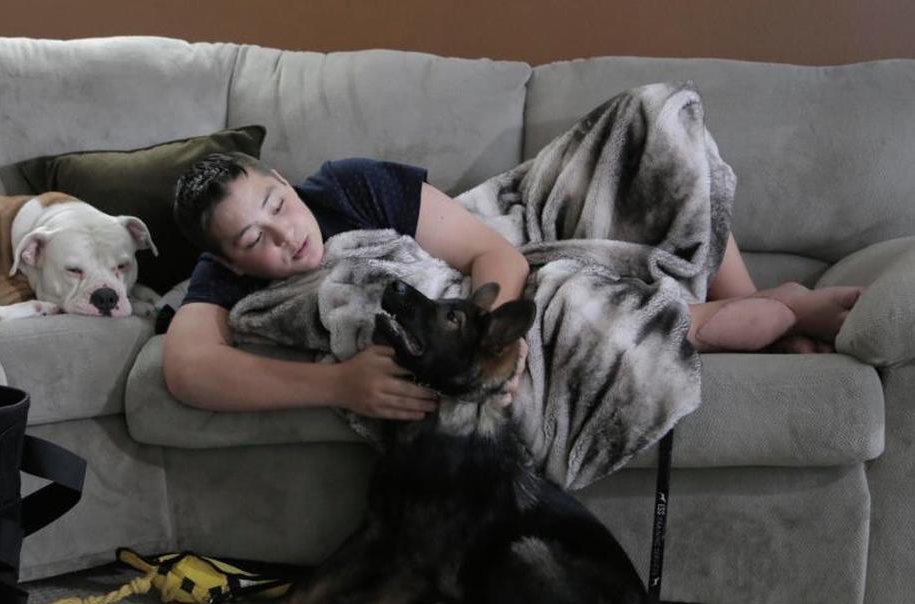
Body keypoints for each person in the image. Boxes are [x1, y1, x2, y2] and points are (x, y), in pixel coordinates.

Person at [163, 153, 861, 421]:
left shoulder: (349, 185)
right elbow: (188, 367)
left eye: (276, 207)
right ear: (230, 261)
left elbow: (490, 253)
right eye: (253, 240)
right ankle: (761, 320)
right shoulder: (219, 281)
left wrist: (485, 328)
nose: (285, 237)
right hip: (499, 267)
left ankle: (759, 304)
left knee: (653, 135)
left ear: (284, 182)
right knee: (568, 298)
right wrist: (338, 385)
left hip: (514, 225)